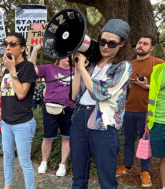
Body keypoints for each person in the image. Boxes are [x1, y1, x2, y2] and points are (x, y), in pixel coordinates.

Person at [70, 19, 132, 188]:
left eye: (112, 43)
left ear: (122, 44)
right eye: (102, 42)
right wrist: (78, 68)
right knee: (78, 177)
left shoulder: (123, 67)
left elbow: (99, 93)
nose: (105, 47)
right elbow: (74, 95)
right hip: (80, 117)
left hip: (102, 123)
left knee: (107, 180)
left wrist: (83, 69)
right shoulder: (91, 65)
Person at [116, 35, 164, 187]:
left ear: (151, 48)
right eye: (139, 42)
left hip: (147, 112)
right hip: (128, 110)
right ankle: (127, 166)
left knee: (145, 143)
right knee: (128, 141)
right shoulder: (129, 64)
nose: (141, 45)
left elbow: (160, 89)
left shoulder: (158, 64)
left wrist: (146, 86)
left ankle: (145, 171)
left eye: (145, 44)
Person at [0, 32, 37, 189]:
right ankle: (7, 186)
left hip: (23, 123)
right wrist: (2, 112)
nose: (7, 47)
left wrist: (12, 71)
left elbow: (22, 94)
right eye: (5, 44)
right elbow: (8, 95)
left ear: (22, 48)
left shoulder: (28, 67)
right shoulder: (5, 70)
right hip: (6, 122)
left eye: (12, 44)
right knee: (7, 158)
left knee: (24, 161)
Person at [30, 44, 75, 177]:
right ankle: (44, 161)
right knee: (48, 138)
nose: (68, 58)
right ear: (59, 57)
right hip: (51, 108)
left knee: (66, 138)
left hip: (69, 109)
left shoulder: (77, 70)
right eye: (66, 56)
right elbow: (32, 70)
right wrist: (35, 51)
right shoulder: (50, 68)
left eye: (71, 56)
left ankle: (62, 164)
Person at [145, 62, 165, 189]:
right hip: (157, 122)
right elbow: (152, 97)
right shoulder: (158, 70)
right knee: (163, 157)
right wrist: (147, 121)